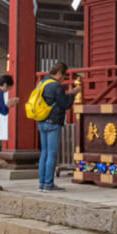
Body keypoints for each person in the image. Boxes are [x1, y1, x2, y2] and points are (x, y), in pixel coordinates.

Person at [37, 62, 79, 192]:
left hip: (42, 121)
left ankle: (42, 183)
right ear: (59, 73)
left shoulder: (42, 84)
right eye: (64, 75)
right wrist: (72, 94)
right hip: (53, 122)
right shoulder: (56, 86)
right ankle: (49, 184)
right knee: (52, 153)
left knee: (44, 153)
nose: (64, 78)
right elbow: (64, 104)